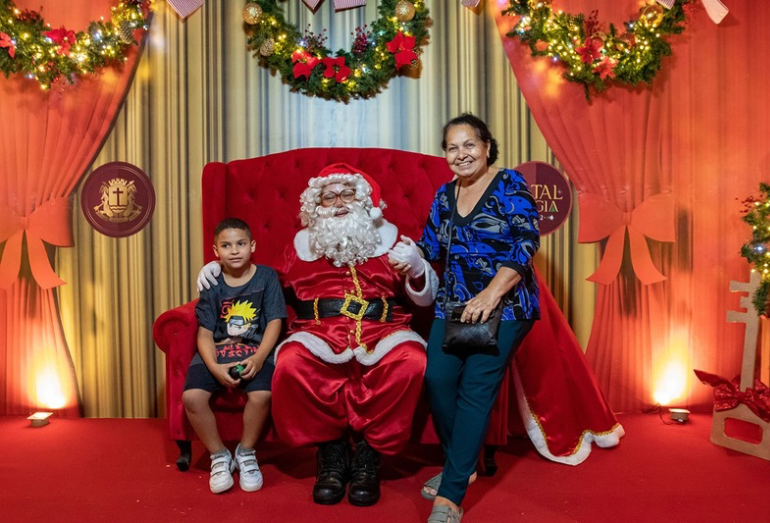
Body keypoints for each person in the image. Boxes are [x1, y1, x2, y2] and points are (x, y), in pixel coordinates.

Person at [197, 163, 439, 507]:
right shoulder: (300, 247)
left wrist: (417, 267)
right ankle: (332, 455)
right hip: (318, 332)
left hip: (384, 330)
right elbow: (263, 282)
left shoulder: (390, 242)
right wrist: (222, 270)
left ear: (364, 199)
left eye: (347, 193)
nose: (338, 201)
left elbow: (425, 299)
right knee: (292, 364)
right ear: (316, 205)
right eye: (328, 196)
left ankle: (369, 457)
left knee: (412, 361)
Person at [389, 113, 540, 523]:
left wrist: (492, 293)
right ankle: (463, 466)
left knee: (475, 388)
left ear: (487, 146)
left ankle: (451, 496)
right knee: (437, 379)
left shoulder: (509, 184)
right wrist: (407, 258)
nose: (461, 154)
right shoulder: (444, 195)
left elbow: (527, 243)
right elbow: (428, 247)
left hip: (507, 306)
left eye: (469, 144)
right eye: (452, 148)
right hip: (455, 306)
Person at [183, 217, 287, 494]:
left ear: (252, 245)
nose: (234, 250)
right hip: (218, 350)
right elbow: (204, 332)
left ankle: (246, 452)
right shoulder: (212, 282)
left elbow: (275, 321)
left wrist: (260, 357)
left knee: (262, 395)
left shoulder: (266, 277)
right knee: (192, 397)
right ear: (216, 251)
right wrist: (214, 366)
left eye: (241, 243)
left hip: (254, 349)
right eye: (226, 245)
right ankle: (219, 456)